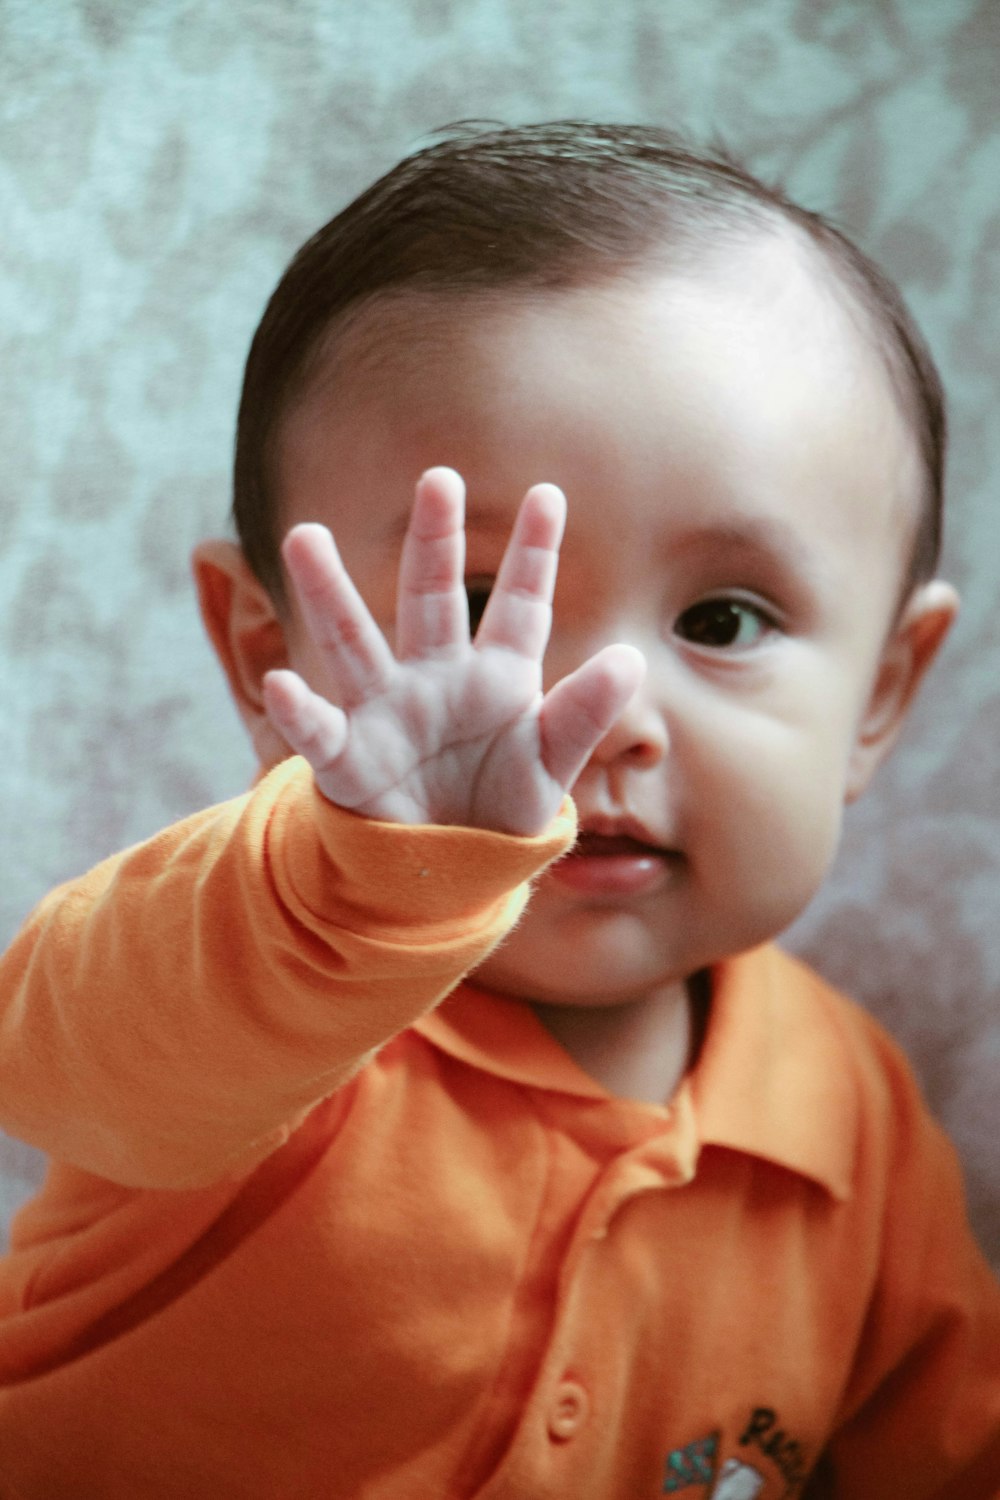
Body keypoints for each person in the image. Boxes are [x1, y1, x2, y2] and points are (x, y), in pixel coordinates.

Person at [0, 122, 997, 1498]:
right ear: (266, 654)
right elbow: (57, 1064)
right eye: (472, 612)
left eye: (723, 618)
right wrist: (357, 882)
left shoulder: (858, 1124)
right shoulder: (255, 984)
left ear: (880, 698)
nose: (600, 710)